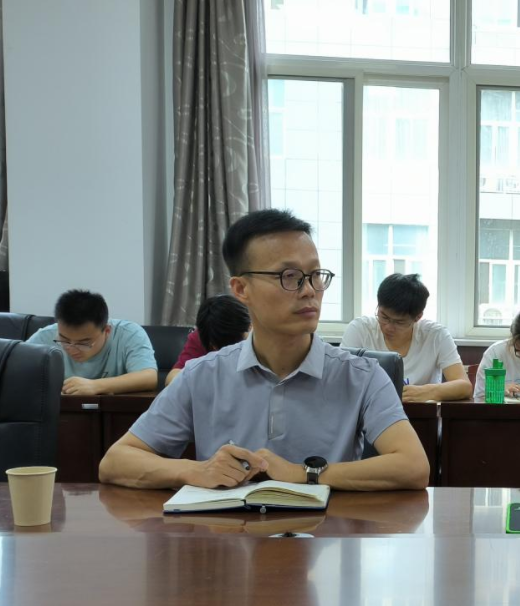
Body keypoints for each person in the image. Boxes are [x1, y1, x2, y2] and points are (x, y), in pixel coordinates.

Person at [99, 209, 430, 491]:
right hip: (226, 539)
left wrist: (304, 473)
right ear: (241, 288)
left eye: (315, 275)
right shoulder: (203, 374)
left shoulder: (361, 375)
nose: (310, 290)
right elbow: (115, 462)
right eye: (290, 276)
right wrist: (195, 470)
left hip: (324, 539)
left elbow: (413, 466)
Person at [341, 273, 471, 403]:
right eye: (384, 317)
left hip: (420, 414)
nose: (388, 327)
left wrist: (428, 391)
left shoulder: (436, 335)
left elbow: (465, 387)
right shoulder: (360, 330)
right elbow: (339, 380)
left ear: (418, 317)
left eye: (399, 322)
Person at [26, 289, 157, 395]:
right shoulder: (44, 337)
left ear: (107, 331)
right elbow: (17, 372)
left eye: (83, 343)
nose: (72, 349)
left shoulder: (129, 333)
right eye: (64, 340)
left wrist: (95, 386)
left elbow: (148, 377)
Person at [163, 294, 251, 386]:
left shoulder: (258, 338)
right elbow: (172, 378)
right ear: (212, 345)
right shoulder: (204, 336)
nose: (232, 352)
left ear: (250, 326)